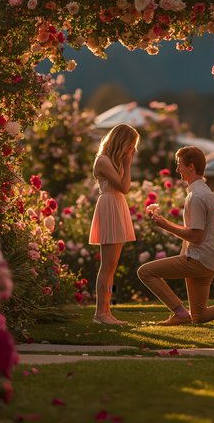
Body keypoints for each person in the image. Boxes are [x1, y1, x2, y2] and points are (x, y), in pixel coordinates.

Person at [138, 146, 214, 326]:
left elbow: (196, 237)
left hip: (197, 260)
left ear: (191, 166)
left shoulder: (196, 196)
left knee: (145, 272)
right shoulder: (204, 192)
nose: (177, 169)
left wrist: (165, 225)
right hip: (207, 261)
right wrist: (166, 223)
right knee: (199, 316)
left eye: (180, 164)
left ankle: (180, 313)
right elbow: (197, 232)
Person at [88, 124, 140, 325]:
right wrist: (127, 164)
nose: (133, 150)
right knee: (107, 265)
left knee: (112, 265)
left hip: (117, 205)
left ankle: (106, 312)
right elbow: (124, 187)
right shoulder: (103, 160)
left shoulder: (113, 161)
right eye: (131, 145)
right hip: (109, 205)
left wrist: (126, 163)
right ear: (122, 142)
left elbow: (124, 188)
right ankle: (100, 313)